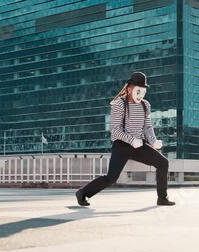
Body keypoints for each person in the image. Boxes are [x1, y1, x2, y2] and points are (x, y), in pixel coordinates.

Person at [75, 72, 175, 206]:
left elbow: (147, 126)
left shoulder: (146, 105)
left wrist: (153, 141)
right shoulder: (119, 104)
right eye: (138, 91)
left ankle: (162, 197)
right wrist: (131, 140)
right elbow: (115, 130)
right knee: (111, 178)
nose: (140, 95)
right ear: (129, 89)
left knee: (163, 163)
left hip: (139, 146)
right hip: (122, 146)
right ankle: (83, 193)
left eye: (143, 92)